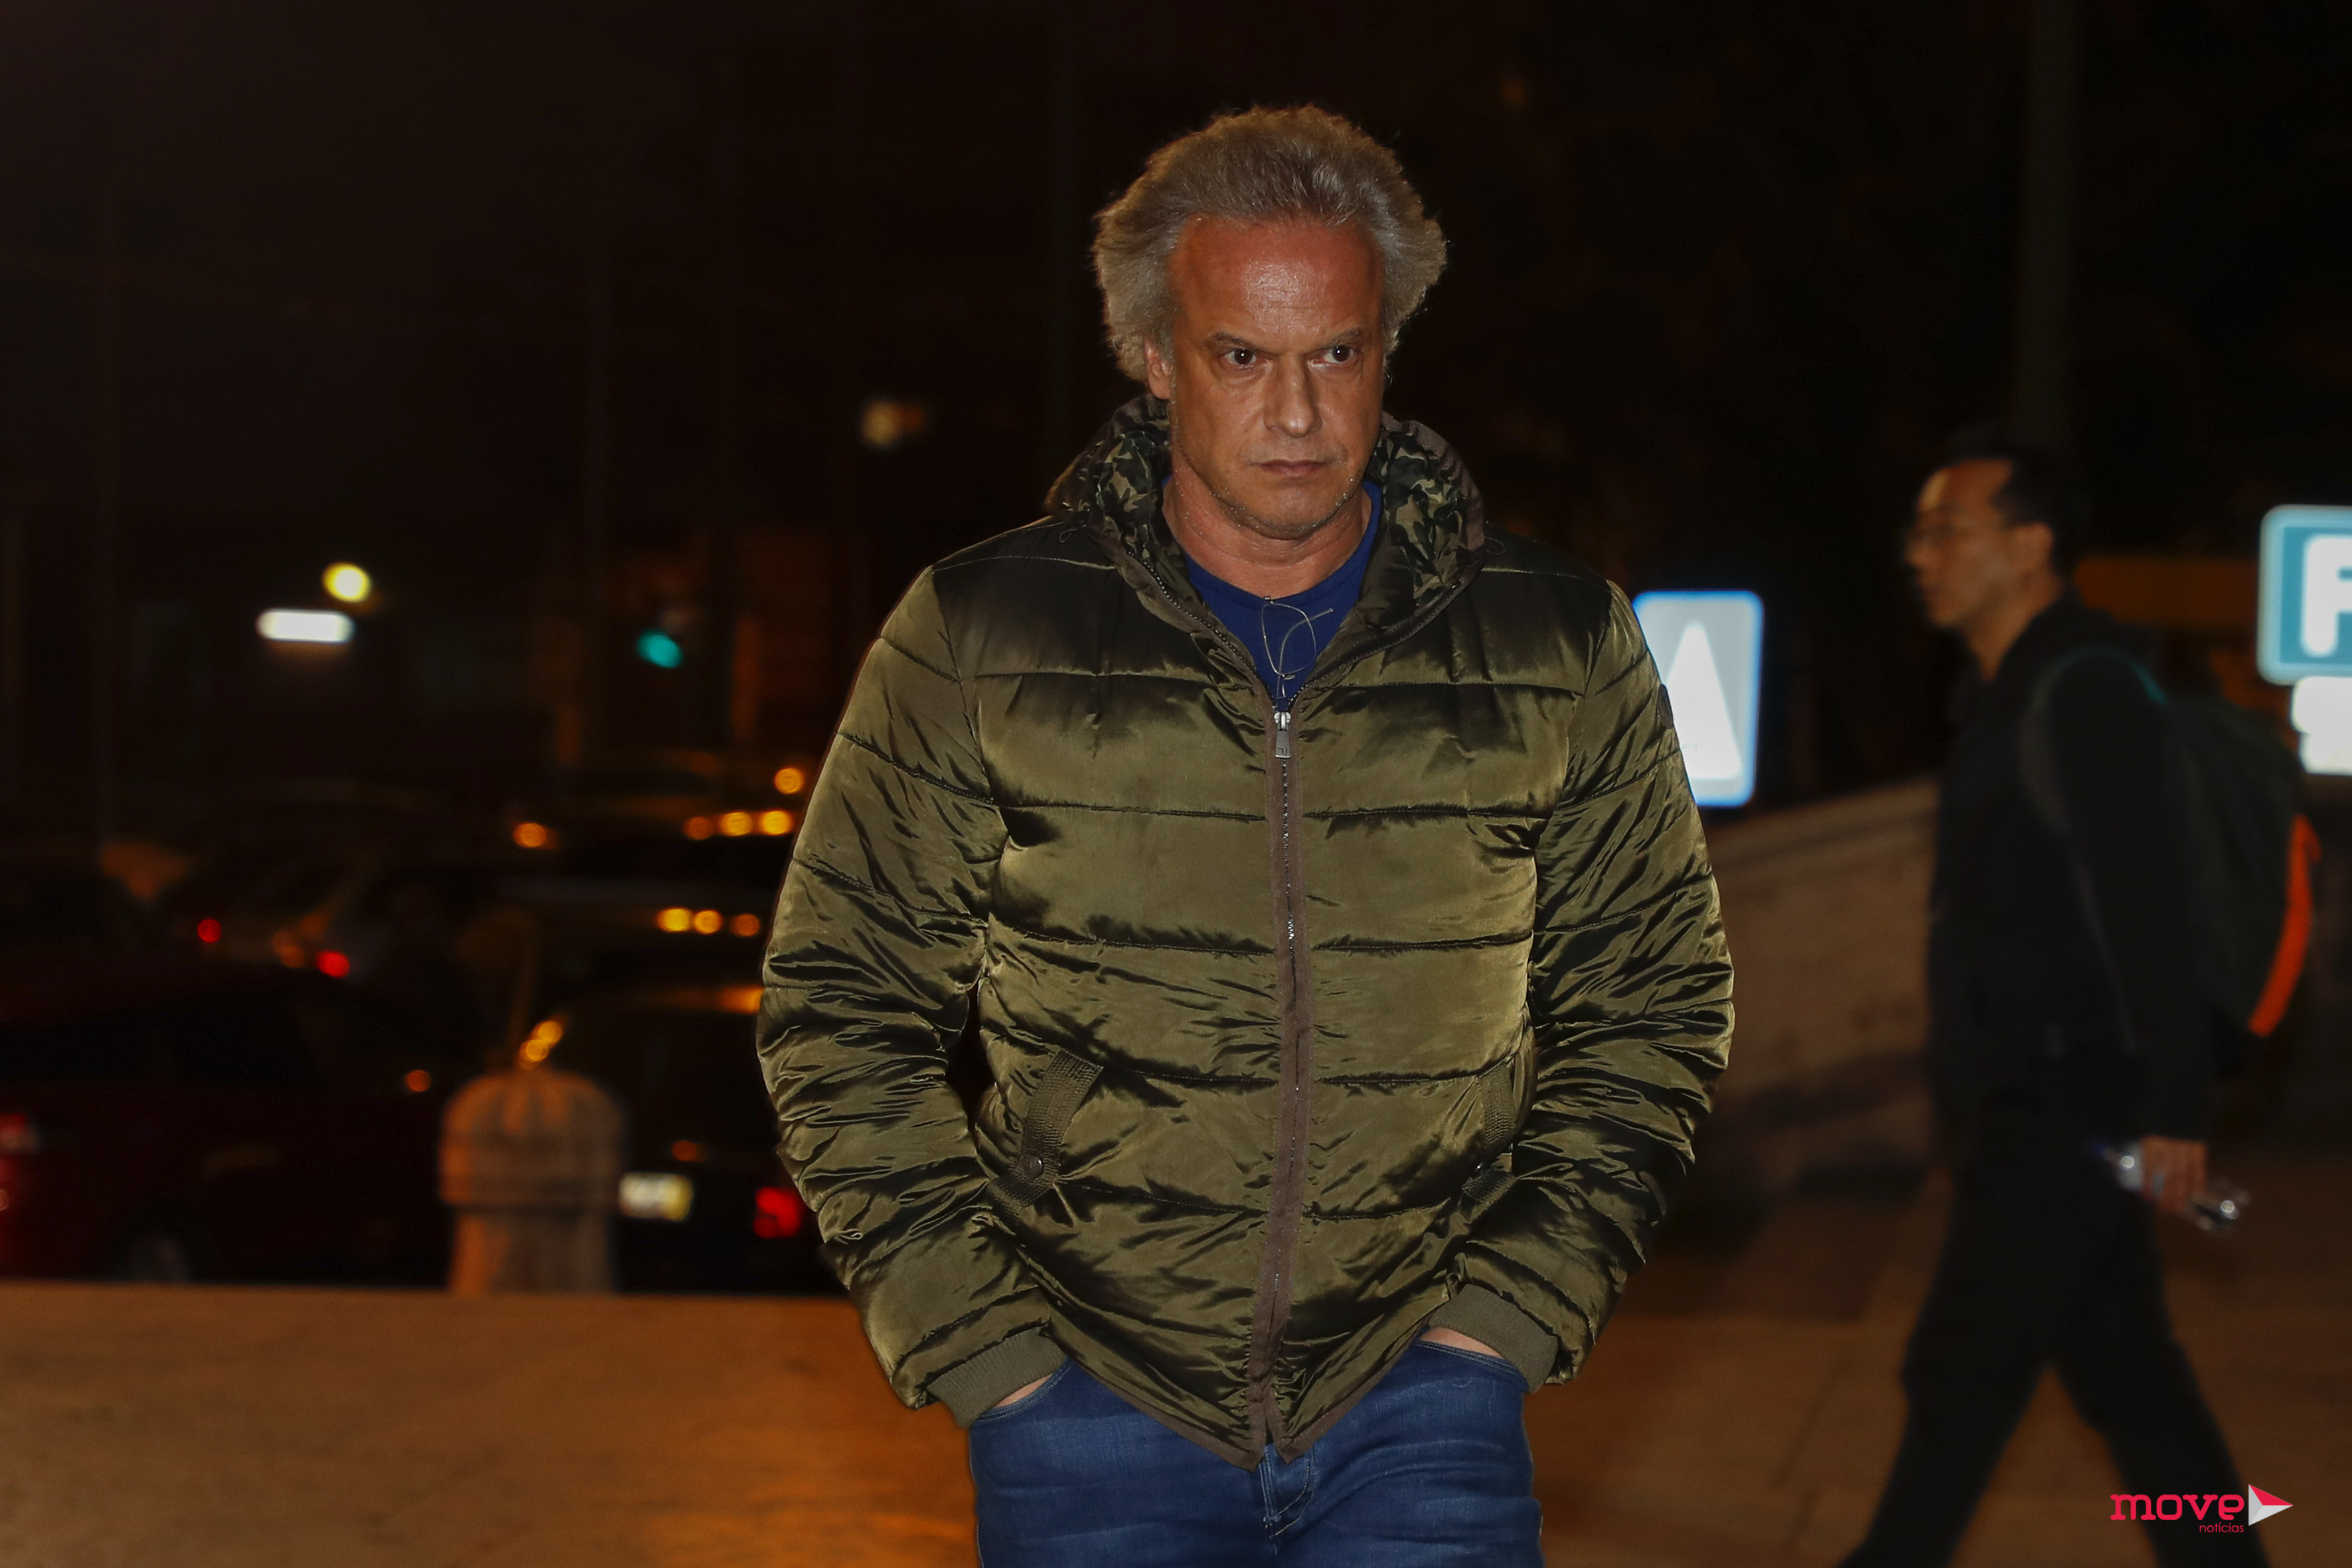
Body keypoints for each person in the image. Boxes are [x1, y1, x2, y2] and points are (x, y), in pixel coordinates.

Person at [758, 106, 1731, 1566]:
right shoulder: (981, 628)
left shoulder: (1556, 637)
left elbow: (1653, 1001)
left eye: (1334, 352)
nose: (1294, 412)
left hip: (1427, 1395)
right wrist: (989, 1353)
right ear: (1155, 359)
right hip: (1087, 1399)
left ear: (1387, 348)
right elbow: (839, 1007)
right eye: (1239, 356)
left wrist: (1506, 1317)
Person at [1841, 428, 2262, 1567]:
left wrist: (2175, 1103)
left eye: (1947, 530)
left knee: (1959, 1375)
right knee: (2134, 1384)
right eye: (1916, 531)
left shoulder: (2087, 692)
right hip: (2027, 1101)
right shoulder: (2001, 696)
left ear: (2031, 546)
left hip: (2070, 1103)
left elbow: (2150, 905)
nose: (1919, 553)